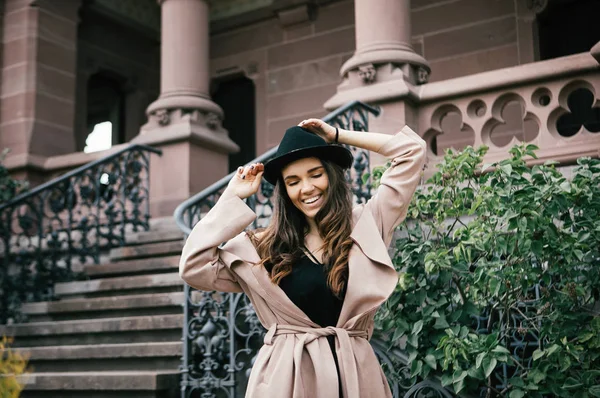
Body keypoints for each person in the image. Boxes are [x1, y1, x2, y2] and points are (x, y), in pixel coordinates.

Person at [179, 118, 426, 398]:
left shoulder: (366, 225)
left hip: (355, 377)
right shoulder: (262, 247)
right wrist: (232, 196)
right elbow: (193, 266)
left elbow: (411, 151)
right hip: (287, 380)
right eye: (293, 181)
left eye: (315, 174)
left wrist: (337, 135)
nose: (307, 188)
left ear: (331, 175)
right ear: (284, 191)